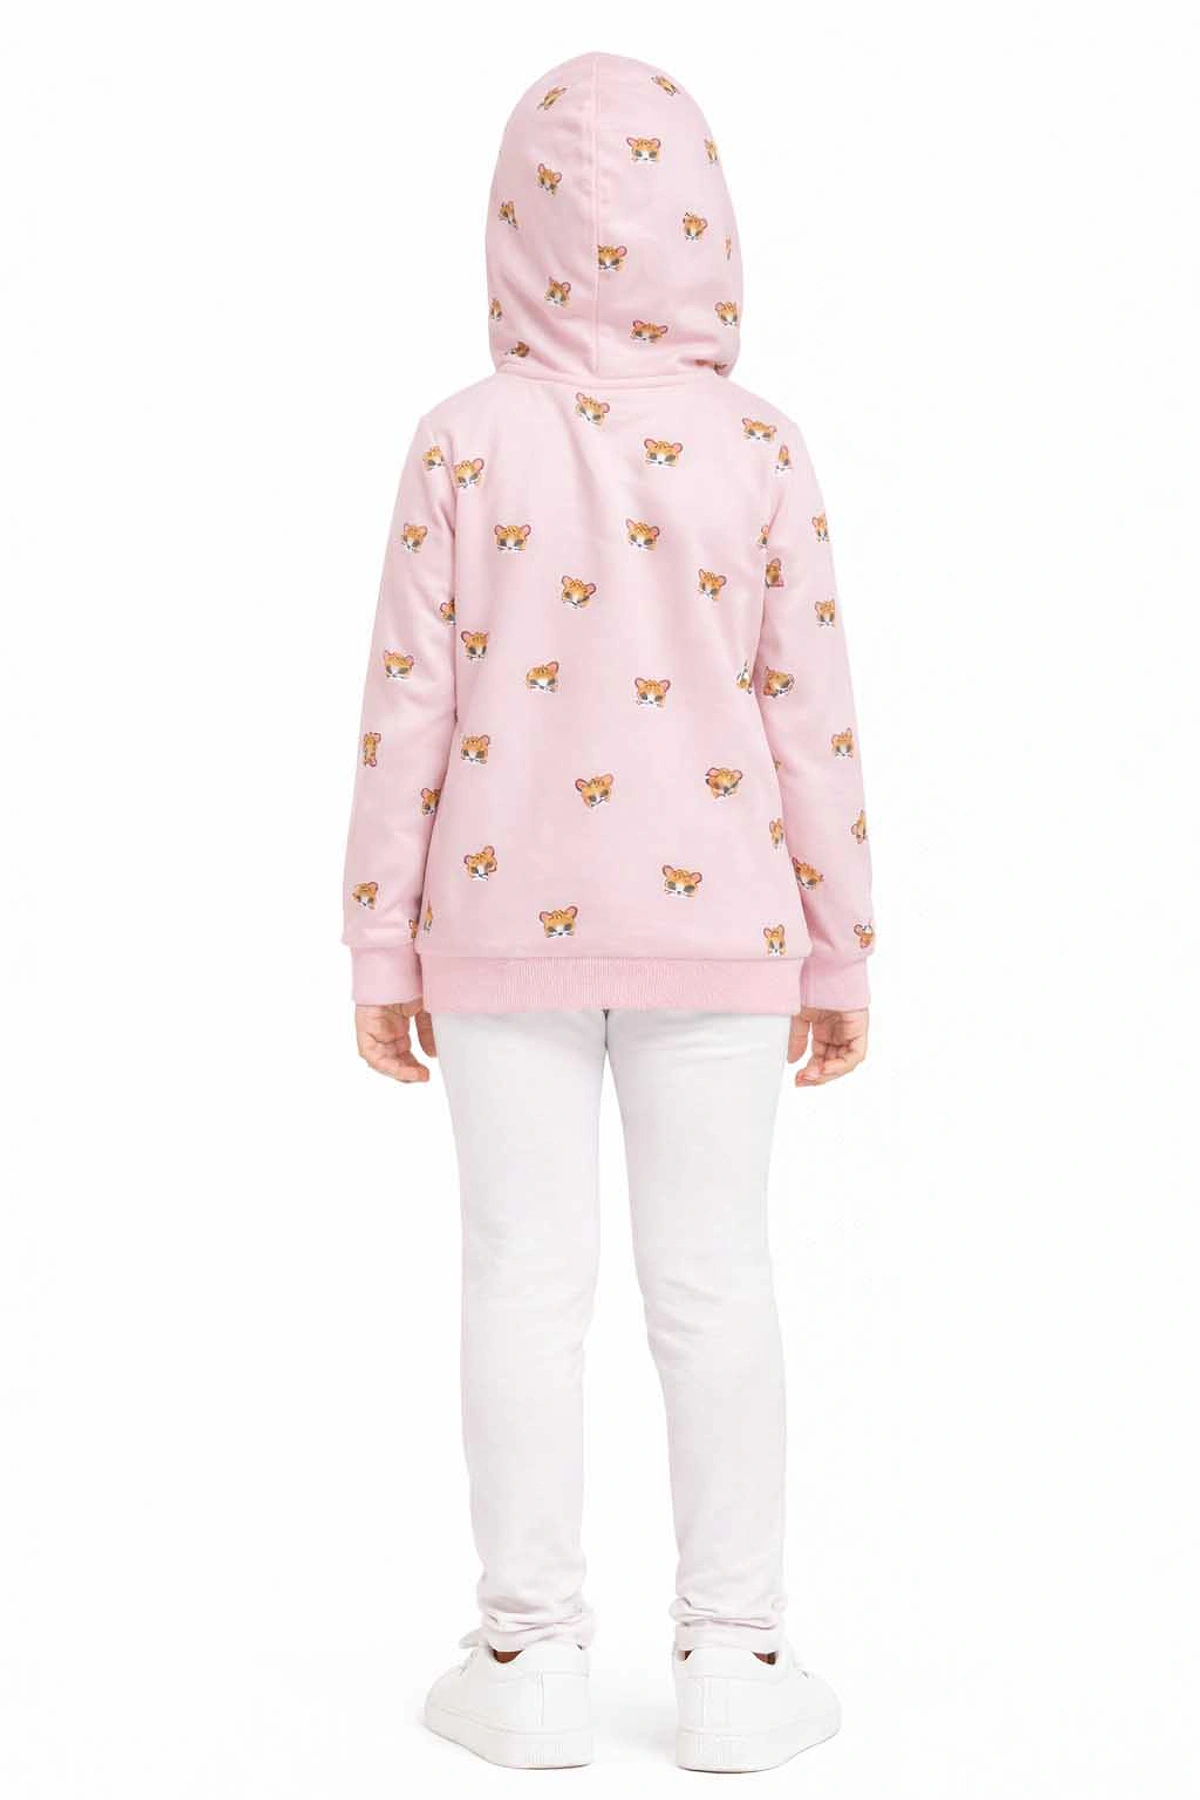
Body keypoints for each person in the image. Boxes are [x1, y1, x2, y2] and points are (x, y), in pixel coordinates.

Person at [342, 51, 874, 1774]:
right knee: (715, 1281)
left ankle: (530, 1655)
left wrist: (380, 938)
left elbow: (407, 706)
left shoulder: (460, 443)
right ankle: (736, 1656)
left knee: (522, 1281)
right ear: (711, 227)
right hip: (727, 936)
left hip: (498, 931)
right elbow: (811, 717)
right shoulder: (760, 447)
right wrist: (841, 946)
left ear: (512, 227)